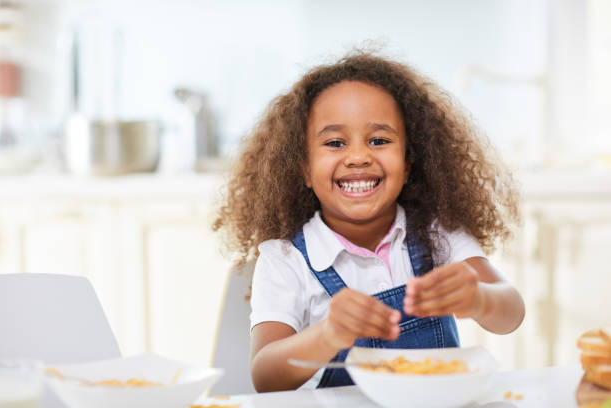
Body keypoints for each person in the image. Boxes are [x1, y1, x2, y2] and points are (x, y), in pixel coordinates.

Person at [213, 51, 525, 392]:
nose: (359, 157)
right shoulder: (286, 260)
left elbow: (511, 313)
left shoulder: (439, 234)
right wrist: (327, 334)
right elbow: (265, 376)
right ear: (304, 168)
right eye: (335, 143)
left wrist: (479, 298)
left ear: (407, 163)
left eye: (379, 140)